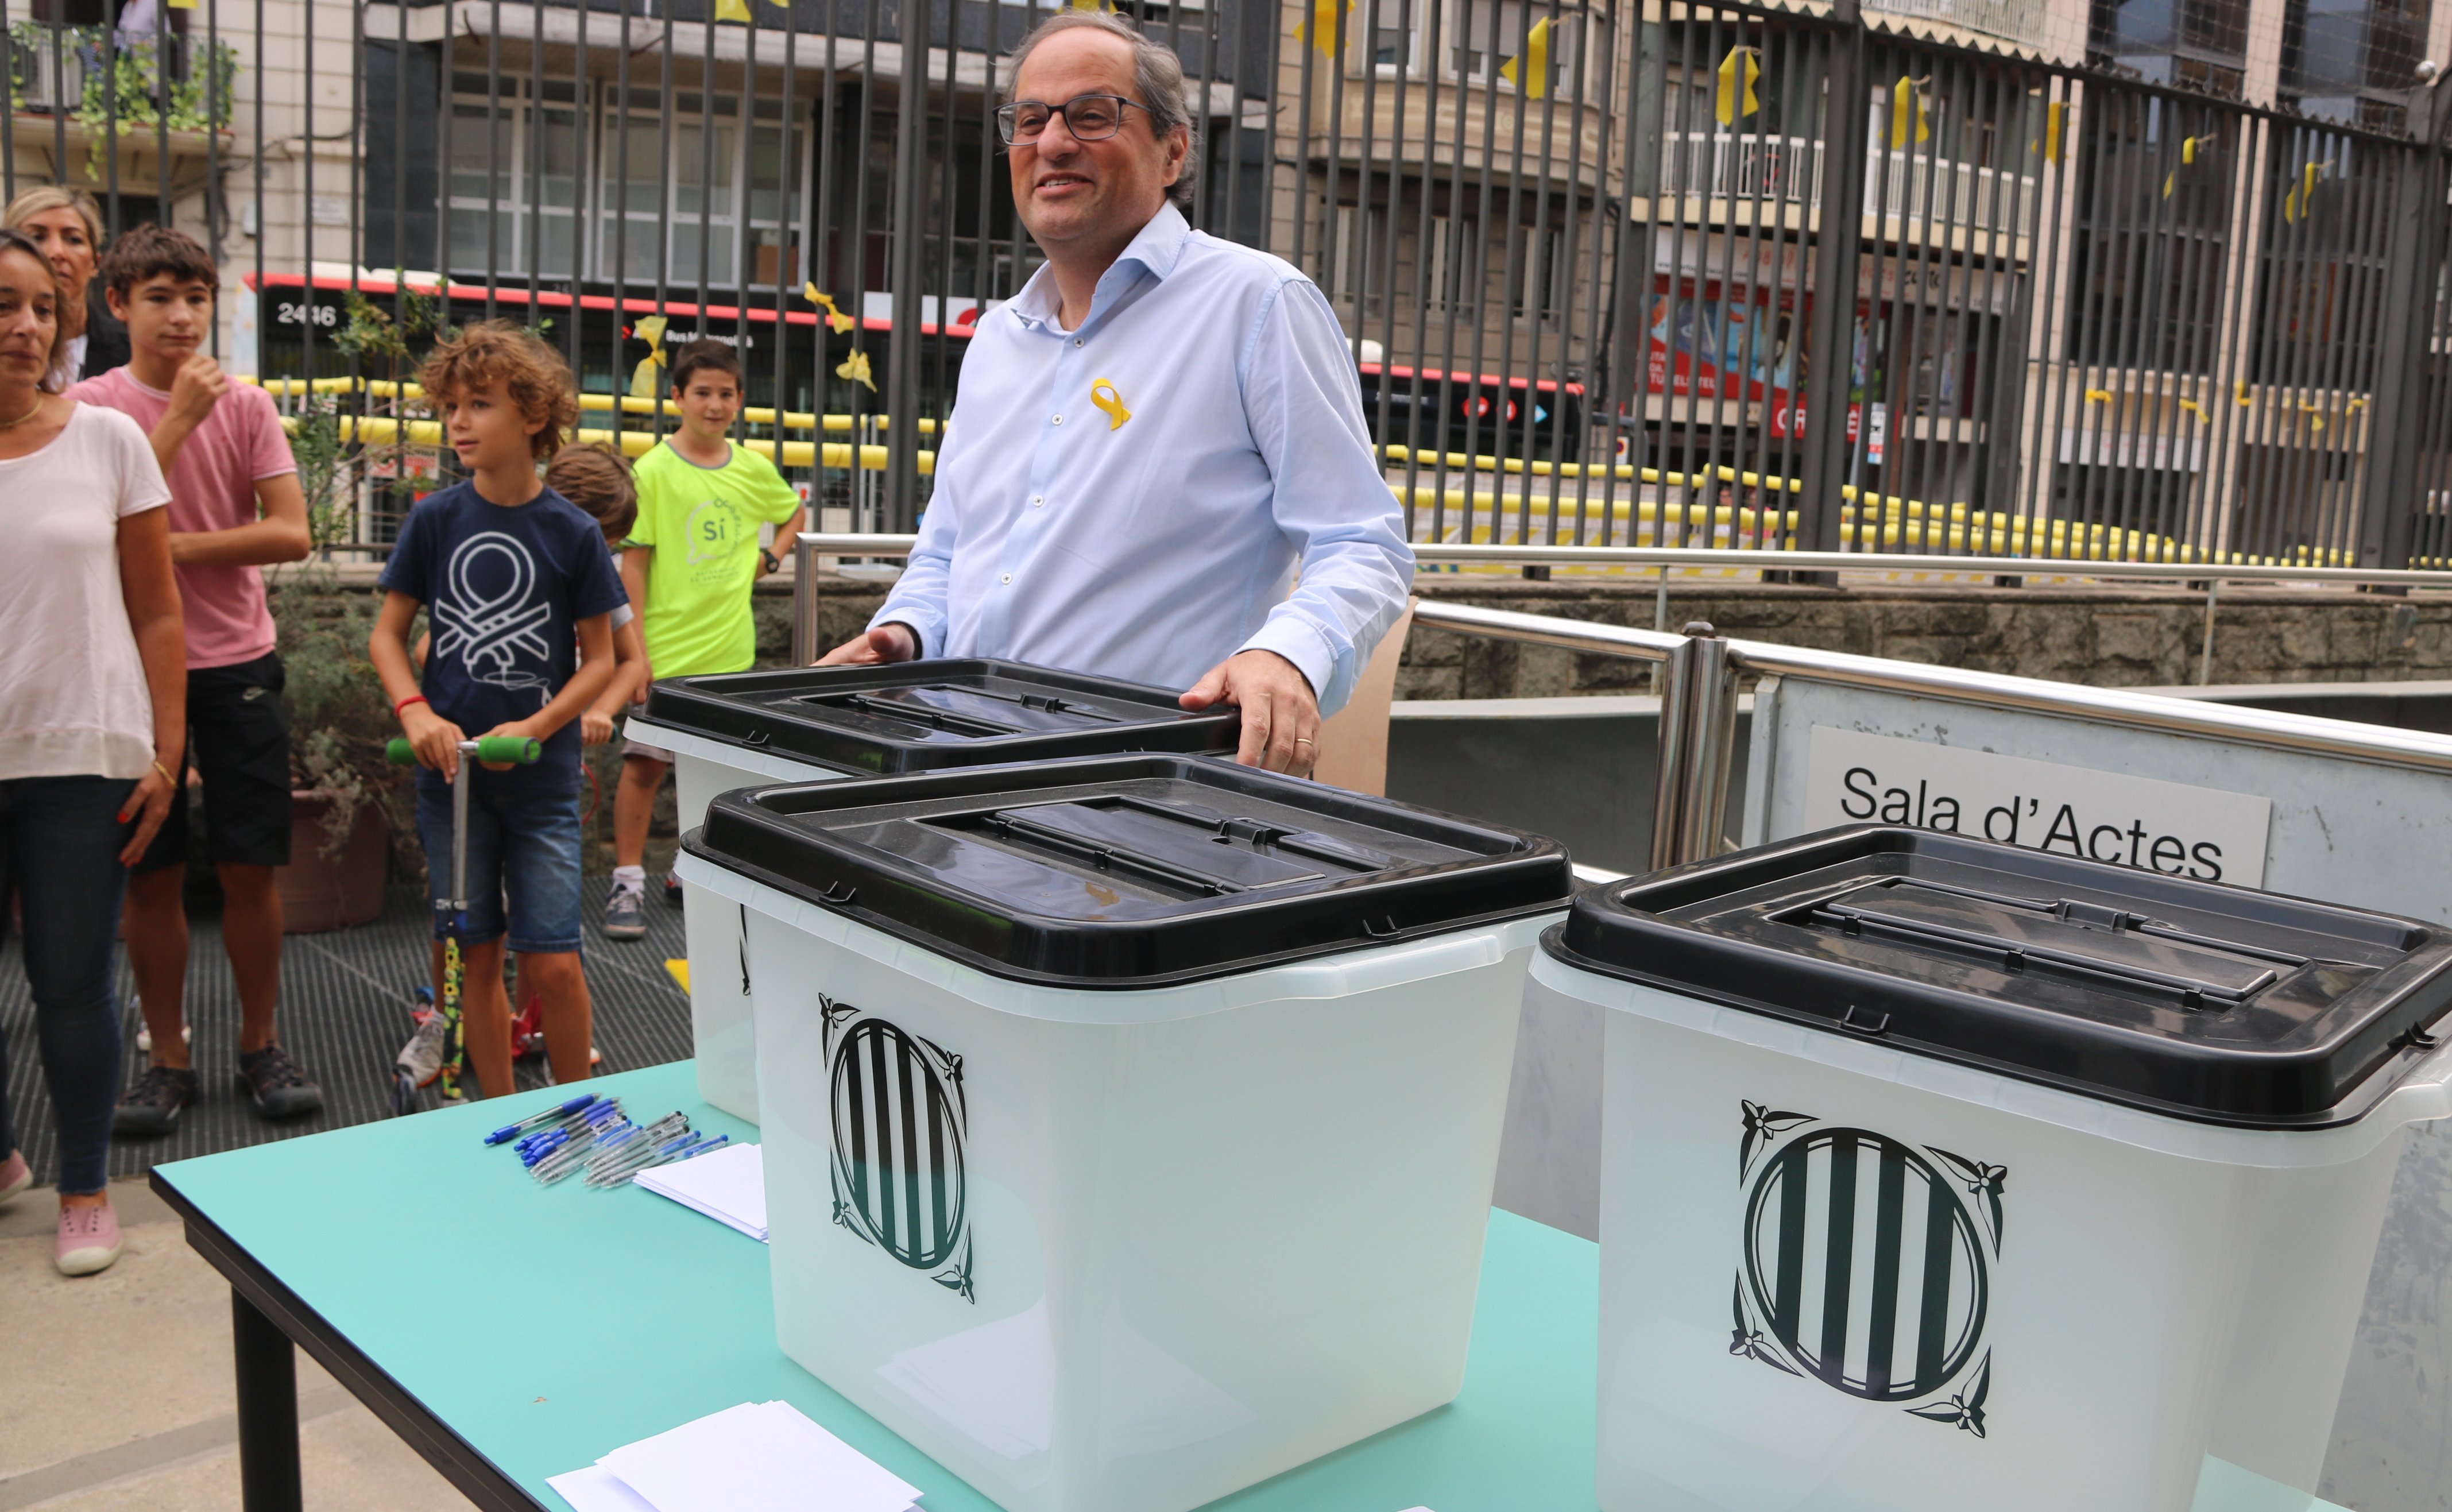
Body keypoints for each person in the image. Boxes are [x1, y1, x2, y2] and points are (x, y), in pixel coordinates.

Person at [817, 10, 1413, 778]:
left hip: (1143, 797)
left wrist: (1282, 654)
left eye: (1091, 116)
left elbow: (1361, 545)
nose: (1053, 142)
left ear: (1172, 151)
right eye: (1029, 119)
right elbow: (946, 552)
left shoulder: (1257, 304)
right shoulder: (996, 340)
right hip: (954, 772)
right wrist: (901, 633)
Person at [67, 225, 322, 1136]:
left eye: (195, 298)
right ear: (118, 306)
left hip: (239, 662)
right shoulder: (91, 408)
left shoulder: (247, 405)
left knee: (254, 867)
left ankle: (262, 1044)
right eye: (160, 299)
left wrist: (173, 546)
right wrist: (173, 424)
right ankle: (167, 1057)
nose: (181, 318)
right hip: (130, 671)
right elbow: (93, 530)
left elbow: (292, 533)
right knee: (151, 873)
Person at [368, 323, 626, 1097]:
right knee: (473, 952)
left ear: (535, 416)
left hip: (540, 780)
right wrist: (415, 712)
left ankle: (577, 1108)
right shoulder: (435, 519)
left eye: (479, 404)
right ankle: (495, 1113)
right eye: (450, 406)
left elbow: (604, 659)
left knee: (551, 958)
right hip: (453, 782)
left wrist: (538, 727)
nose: (458, 422)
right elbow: (387, 635)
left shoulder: (572, 532)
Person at [0, 226, 185, 1276]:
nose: (24, 327)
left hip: (80, 755)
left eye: (40, 307)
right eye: (0, 305)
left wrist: (165, 753)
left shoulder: (108, 442)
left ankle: (81, 1182)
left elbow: (159, 613)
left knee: (69, 981)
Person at [609, 339, 803, 938]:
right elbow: (633, 567)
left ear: (740, 400)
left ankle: (682, 868)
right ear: (677, 398)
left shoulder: (751, 468)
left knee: (714, 773)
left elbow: (792, 510)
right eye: (702, 392)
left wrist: (769, 559)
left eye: (725, 393)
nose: (714, 404)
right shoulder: (652, 472)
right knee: (643, 767)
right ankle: (626, 880)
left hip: (730, 656)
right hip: (664, 655)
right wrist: (634, 653)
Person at [2, 187, 130, 386]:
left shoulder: (130, 351)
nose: (57, 252)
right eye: (37, 237)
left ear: (95, 263)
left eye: (73, 239)